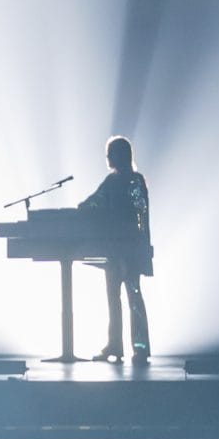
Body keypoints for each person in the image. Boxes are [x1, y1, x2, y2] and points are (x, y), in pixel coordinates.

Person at [78, 135, 153, 362]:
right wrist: (83, 208)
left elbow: (141, 215)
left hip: (129, 250)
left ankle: (139, 347)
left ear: (121, 155)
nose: (108, 157)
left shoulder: (134, 181)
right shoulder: (112, 181)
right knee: (114, 298)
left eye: (111, 153)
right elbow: (94, 200)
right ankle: (115, 346)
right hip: (114, 250)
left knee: (133, 297)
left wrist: (140, 247)